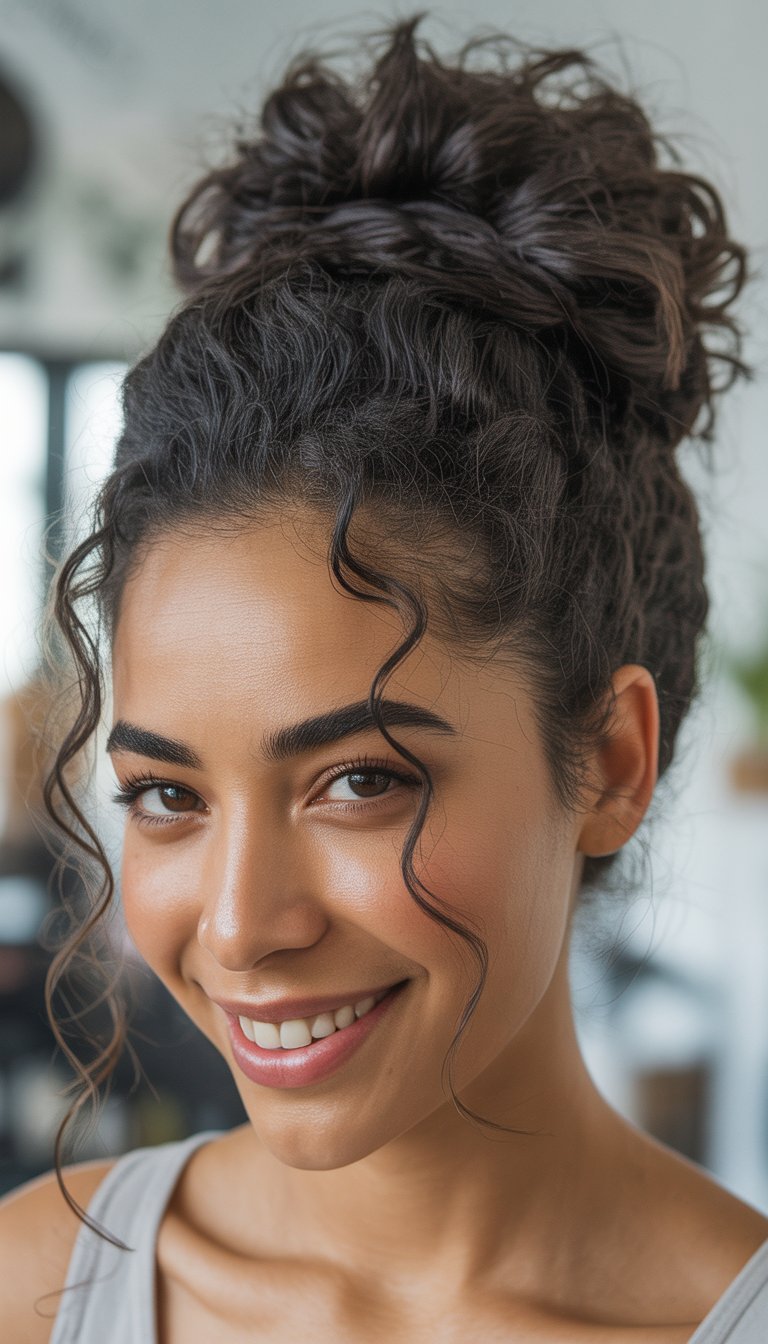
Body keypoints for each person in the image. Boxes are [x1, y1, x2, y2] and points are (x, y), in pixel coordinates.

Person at [2, 16, 767, 1342]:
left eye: (360, 779)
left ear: (611, 763)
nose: (240, 928)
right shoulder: (26, 1289)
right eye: (169, 795)